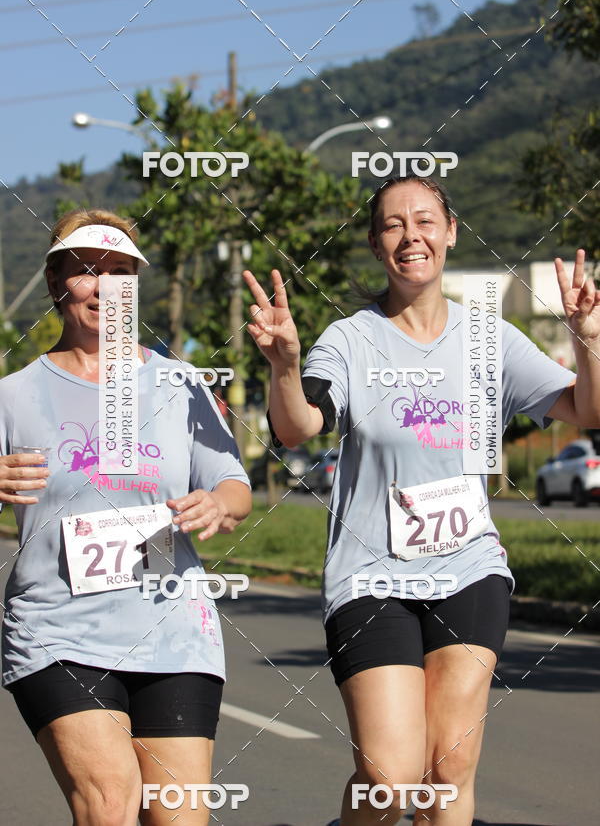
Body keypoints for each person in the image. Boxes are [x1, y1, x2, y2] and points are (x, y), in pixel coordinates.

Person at [243, 174, 600, 826]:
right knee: (391, 776)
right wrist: (285, 366)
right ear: (378, 247)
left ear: (450, 231)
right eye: (393, 225)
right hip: (372, 575)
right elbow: (299, 427)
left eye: (426, 221)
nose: (412, 235)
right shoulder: (350, 340)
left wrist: (589, 338)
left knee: (449, 770)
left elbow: (586, 408)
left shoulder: (489, 338)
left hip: (469, 566)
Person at [0, 209, 252, 826]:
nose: (104, 287)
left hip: (173, 629)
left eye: (120, 272)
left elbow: (234, 484)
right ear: (57, 281)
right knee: (110, 806)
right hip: (57, 628)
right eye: (87, 271)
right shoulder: (12, 395)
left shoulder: (181, 383)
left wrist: (218, 503)